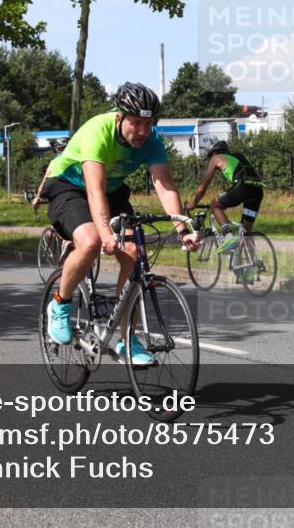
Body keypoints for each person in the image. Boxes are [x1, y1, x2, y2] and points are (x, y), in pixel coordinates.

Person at [44, 83, 201, 365]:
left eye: (148, 124)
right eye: (136, 123)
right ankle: (60, 303)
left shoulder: (151, 140)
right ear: (120, 117)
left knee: (133, 254)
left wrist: (182, 229)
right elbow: (94, 188)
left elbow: (164, 186)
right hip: (69, 186)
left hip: (112, 192)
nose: (142, 131)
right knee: (91, 241)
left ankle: (128, 339)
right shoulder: (97, 131)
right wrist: (105, 233)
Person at [187, 140, 264, 253]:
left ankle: (229, 237)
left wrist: (193, 203)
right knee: (246, 233)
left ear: (214, 153)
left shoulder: (216, 158)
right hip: (257, 190)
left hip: (242, 187)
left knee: (214, 205)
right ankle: (251, 267)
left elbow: (203, 186)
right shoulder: (239, 156)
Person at [30, 137, 69, 213]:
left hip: (60, 200)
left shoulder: (54, 163)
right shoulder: (79, 160)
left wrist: (37, 198)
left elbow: (44, 182)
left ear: (57, 150)